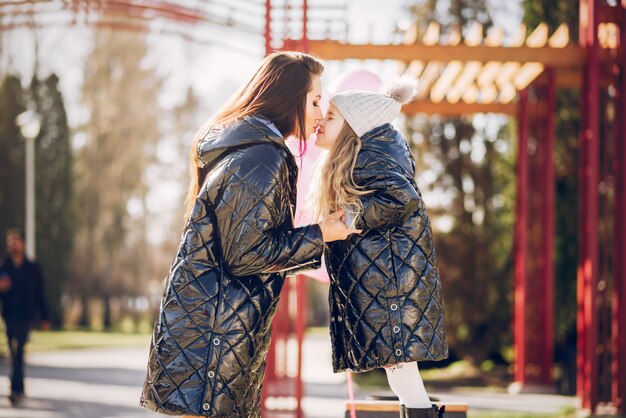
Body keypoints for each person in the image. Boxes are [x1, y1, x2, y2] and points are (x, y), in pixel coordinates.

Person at [140, 51, 360, 418]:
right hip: (213, 345)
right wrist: (320, 233)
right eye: (316, 100)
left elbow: (247, 250)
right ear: (289, 97)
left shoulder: (247, 149)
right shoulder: (262, 158)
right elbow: (247, 255)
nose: (321, 114)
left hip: (208, 340)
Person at [313, 78, 448, 418]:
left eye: (330, 116)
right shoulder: (367, 157)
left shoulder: (369, 156)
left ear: (353, 127)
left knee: (400, 368)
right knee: (398, 370)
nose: (320, 121)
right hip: (387, 283)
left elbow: (401, 199)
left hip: (390, 288)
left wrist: (352, 217)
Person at [0, 228, 50, 405]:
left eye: (16, 241)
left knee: (19, 351)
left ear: (22, 244)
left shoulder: (33, 268)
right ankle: (19, 387)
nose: (13, 245)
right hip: (9, 316)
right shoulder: (3, 268)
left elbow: (39, 294)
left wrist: (44, 317)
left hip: (26, 316)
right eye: (10, 242)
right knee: (14, 353)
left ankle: (15, 389)